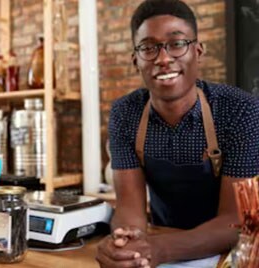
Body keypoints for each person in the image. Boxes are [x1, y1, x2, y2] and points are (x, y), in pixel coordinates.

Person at [96, 0, 259, 267]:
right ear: (135, 60)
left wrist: (160, 250)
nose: (163, 58)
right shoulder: (125, 113)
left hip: (230, 253)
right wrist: (126, 244)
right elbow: (129, 208)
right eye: (148, 48)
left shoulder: (240, 110)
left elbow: (236, 220)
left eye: (177, 43)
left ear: (197, 51)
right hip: (163, 241)